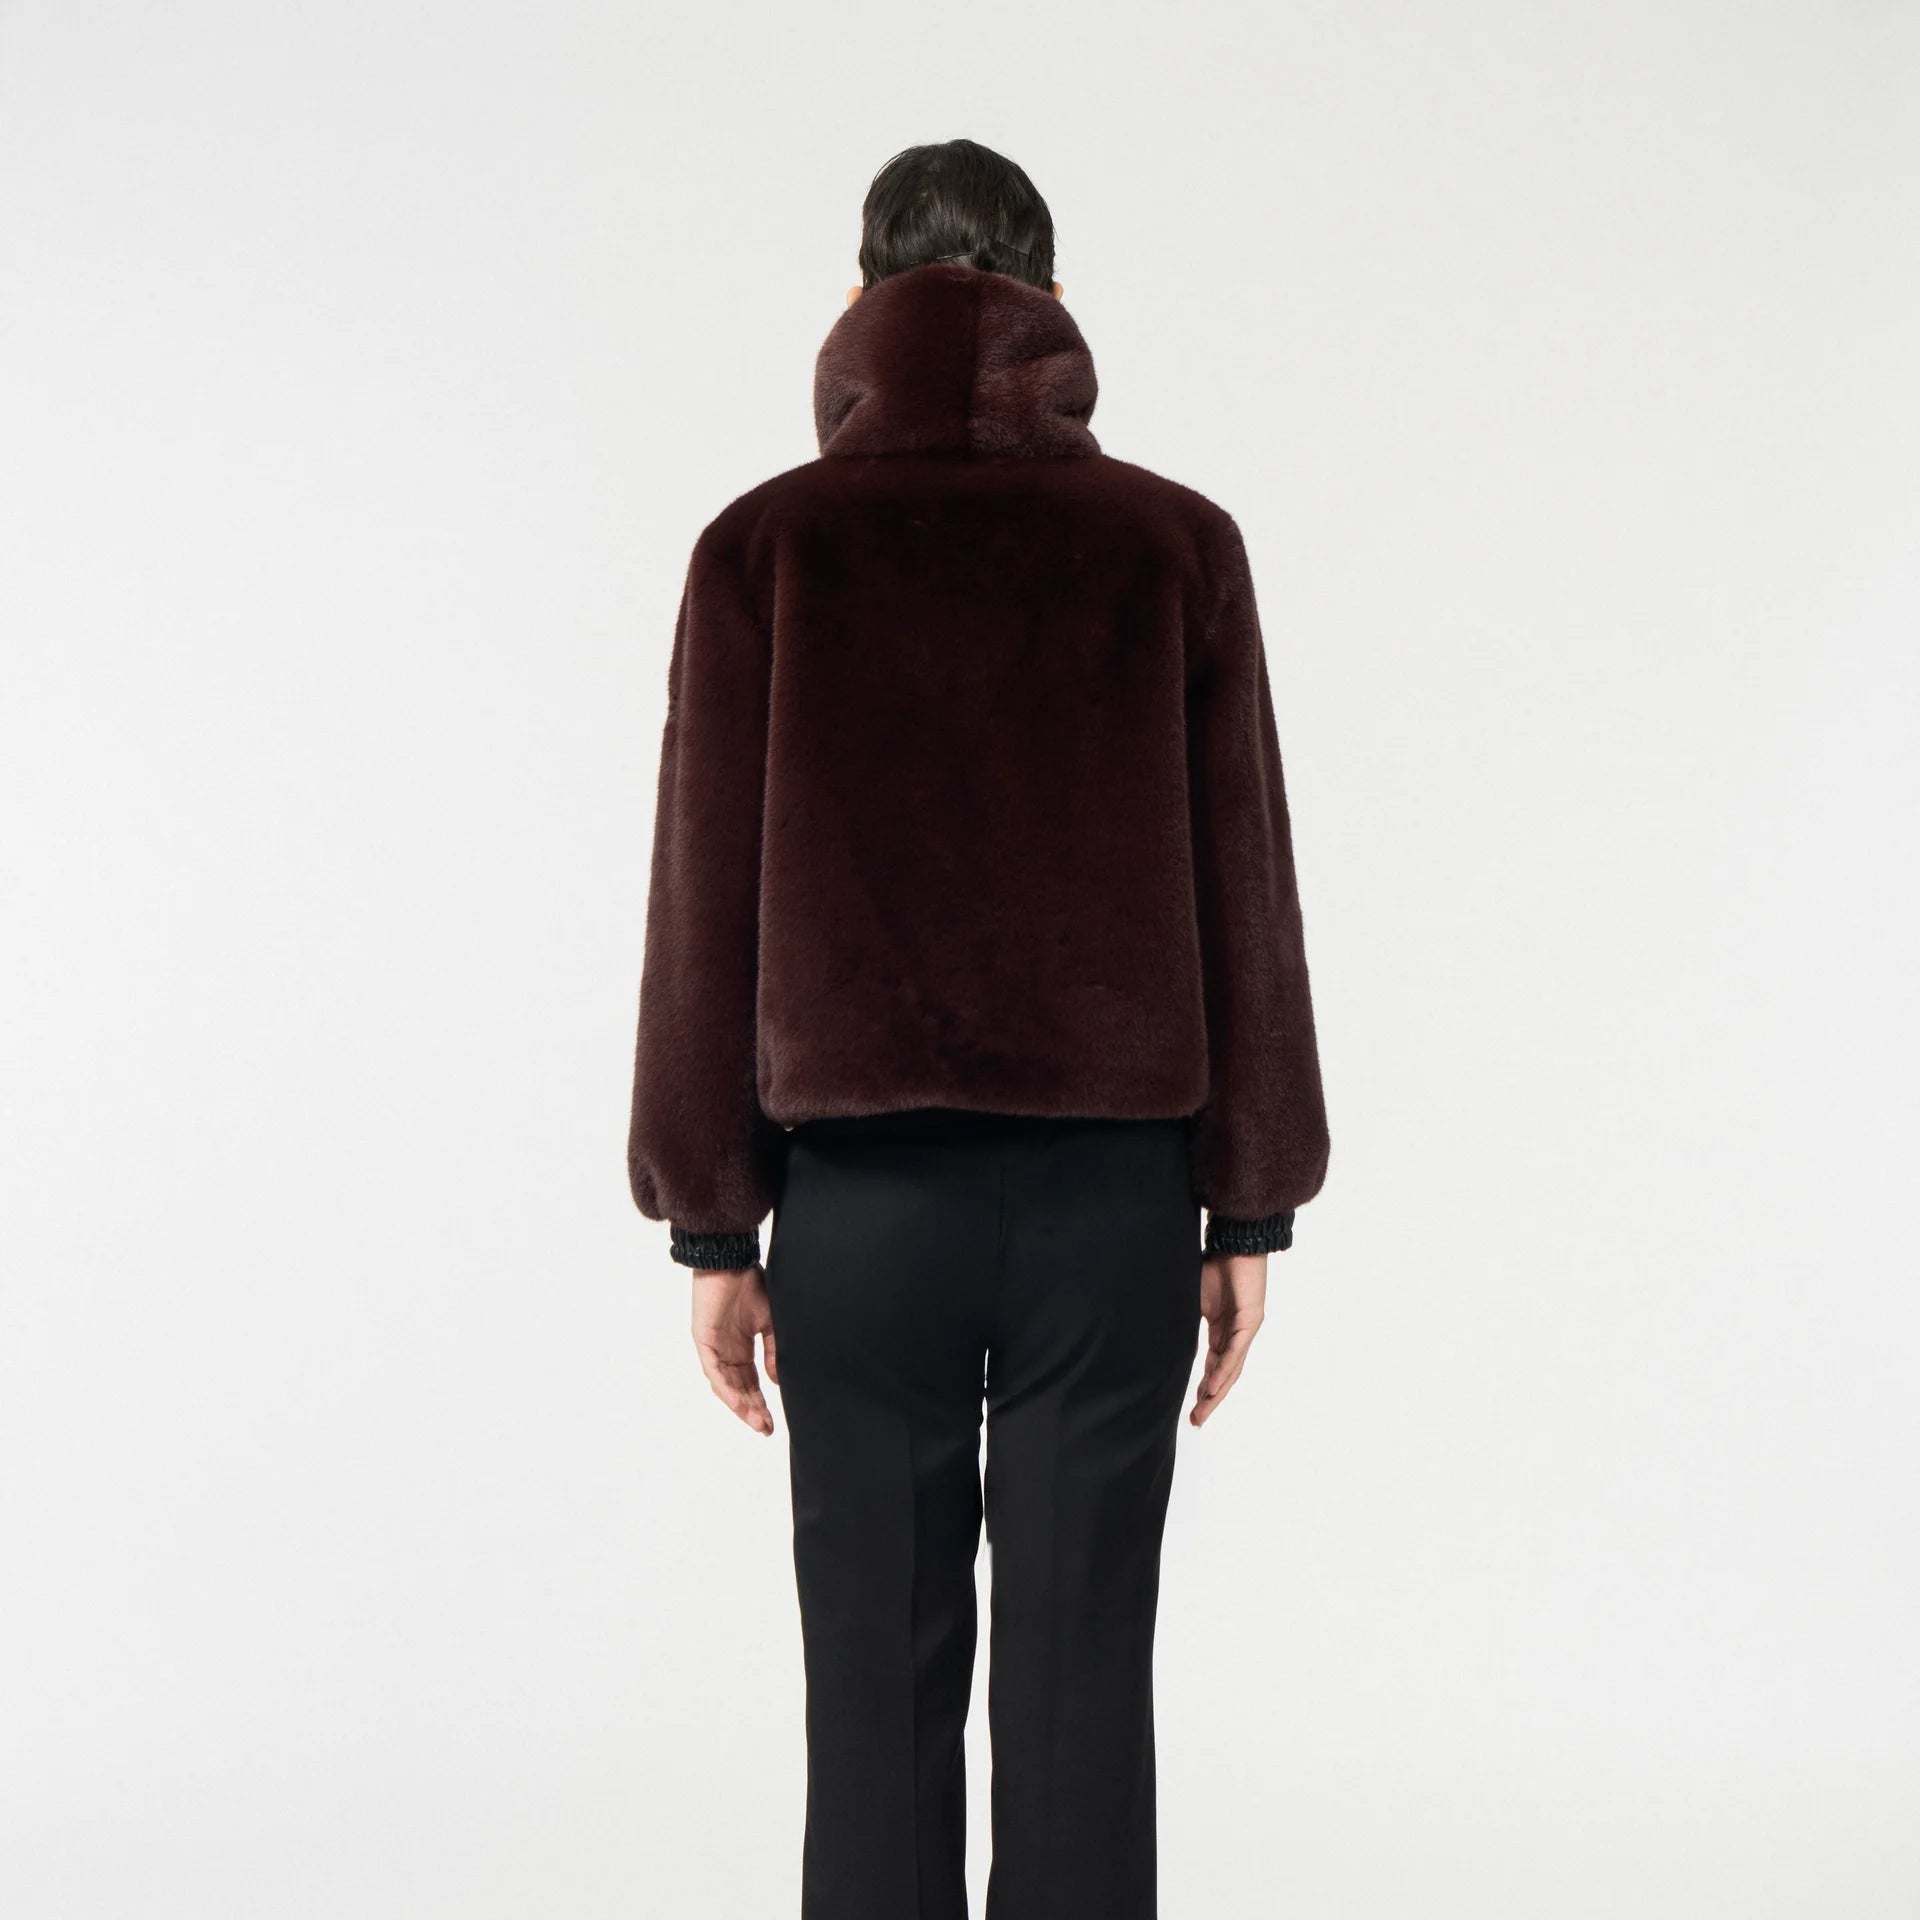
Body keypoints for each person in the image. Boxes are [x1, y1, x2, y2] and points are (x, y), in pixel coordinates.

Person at [627, 137, 1329, 1920]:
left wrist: (715, 1226)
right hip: (1111, 1203)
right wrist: (1250, 1200)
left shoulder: (763, 549)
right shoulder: (1175, 546)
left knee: (872, 1691)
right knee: (1084, 1684)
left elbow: (703, 905)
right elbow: (1244, 880)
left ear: (859, 303)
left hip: (859, 1213)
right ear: (1054, 302)